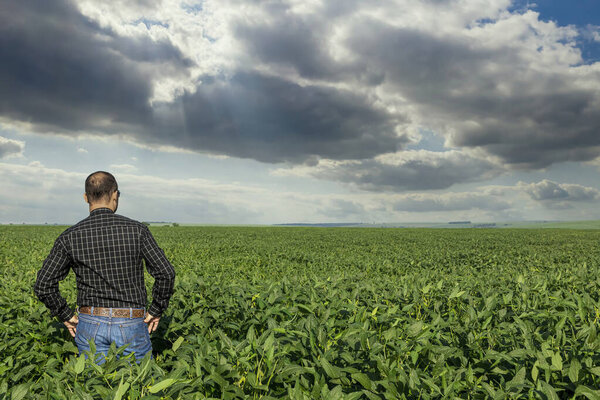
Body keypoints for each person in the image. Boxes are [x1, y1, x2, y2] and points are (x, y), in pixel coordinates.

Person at [34, 171, 175, 364]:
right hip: (132, 321)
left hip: (90, 322)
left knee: (96, 386)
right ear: (115, 194)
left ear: (86, 197)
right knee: (138, 385)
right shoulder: (137, 230)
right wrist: (157, 309)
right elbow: (166, 273)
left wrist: (65, 315)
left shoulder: (69, 236)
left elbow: (43, 284)